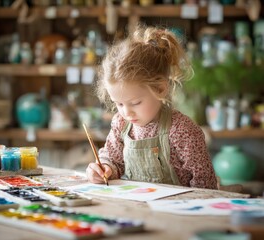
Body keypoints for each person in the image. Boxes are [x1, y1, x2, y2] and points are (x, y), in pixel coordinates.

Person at [86, 25, 218, 189]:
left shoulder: (181, 130)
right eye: (118, 104)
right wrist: (104, 169)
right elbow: (114, 161)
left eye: (135, 103)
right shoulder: (121, 124)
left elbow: (204, 181)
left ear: (160, 89)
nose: (126, 112)